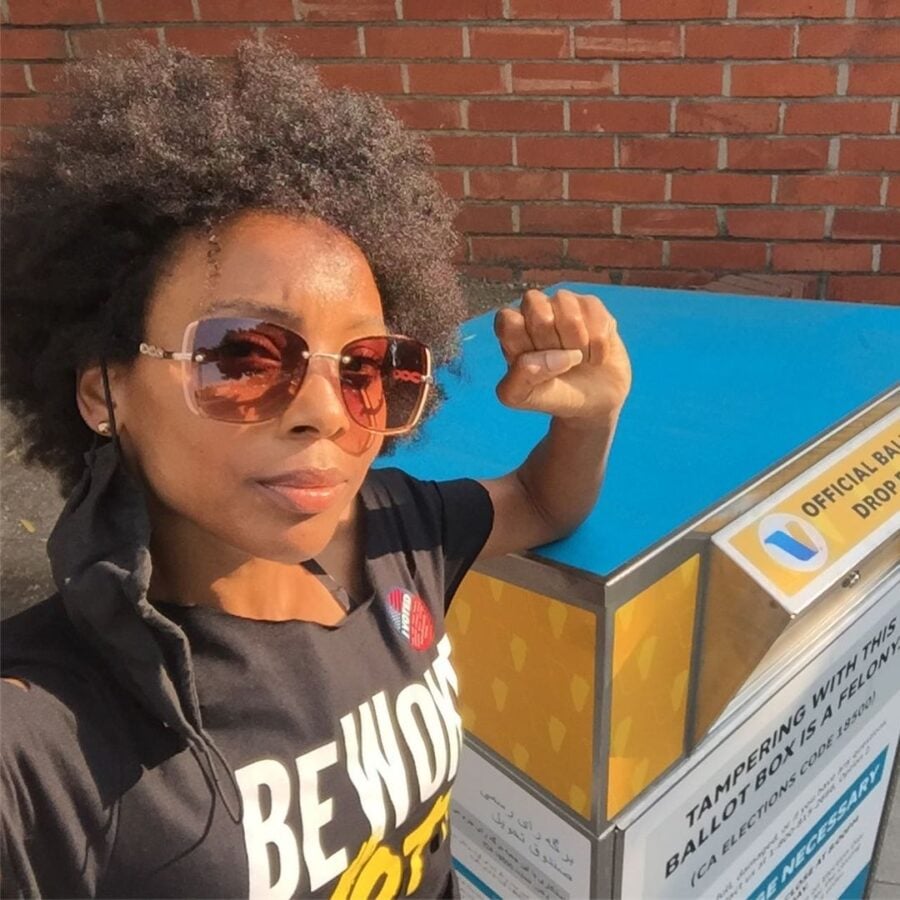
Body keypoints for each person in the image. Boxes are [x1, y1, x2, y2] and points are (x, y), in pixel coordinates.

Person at [0, 41, 631, 899]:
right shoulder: (47, 732)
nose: (327, 411)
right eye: (245, 356)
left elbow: (540, 502)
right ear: (102, 392)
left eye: (367, 366)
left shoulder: (392, 534)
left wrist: (592, 413)